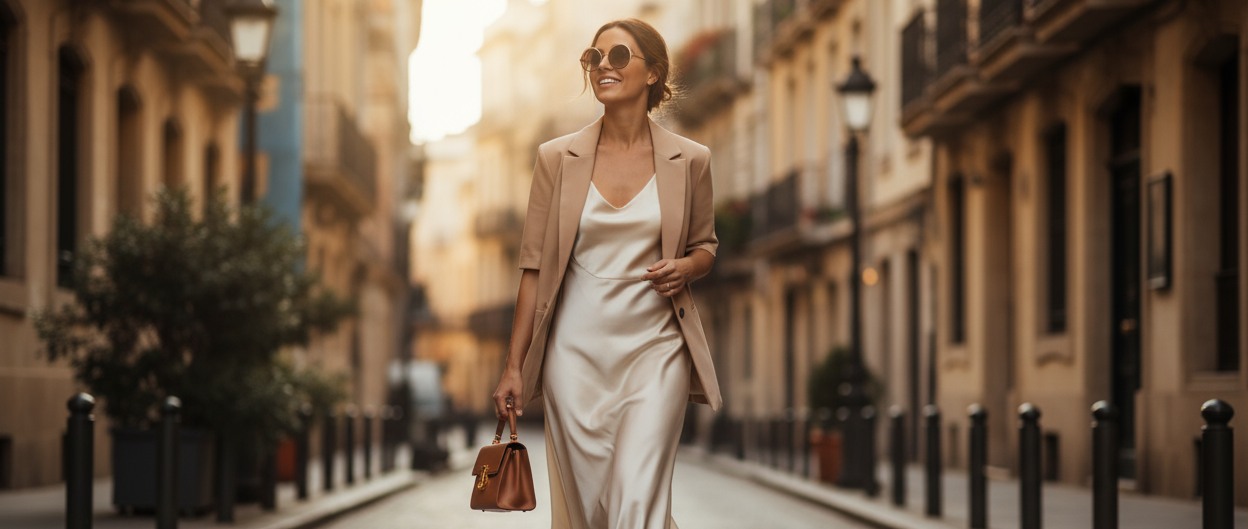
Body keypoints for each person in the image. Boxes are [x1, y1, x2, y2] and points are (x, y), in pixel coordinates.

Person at [490, 18, 723, 529]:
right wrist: (514, 365)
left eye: (619, 57)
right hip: (573, 356)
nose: (603, 68)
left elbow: (705, 246)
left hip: (656, 350)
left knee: (636, 505)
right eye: (594, 58)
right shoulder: (555, 159)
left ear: (654, 74)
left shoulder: (692, 160)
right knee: (592, 510)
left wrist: (686, 266)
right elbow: (532, 266)